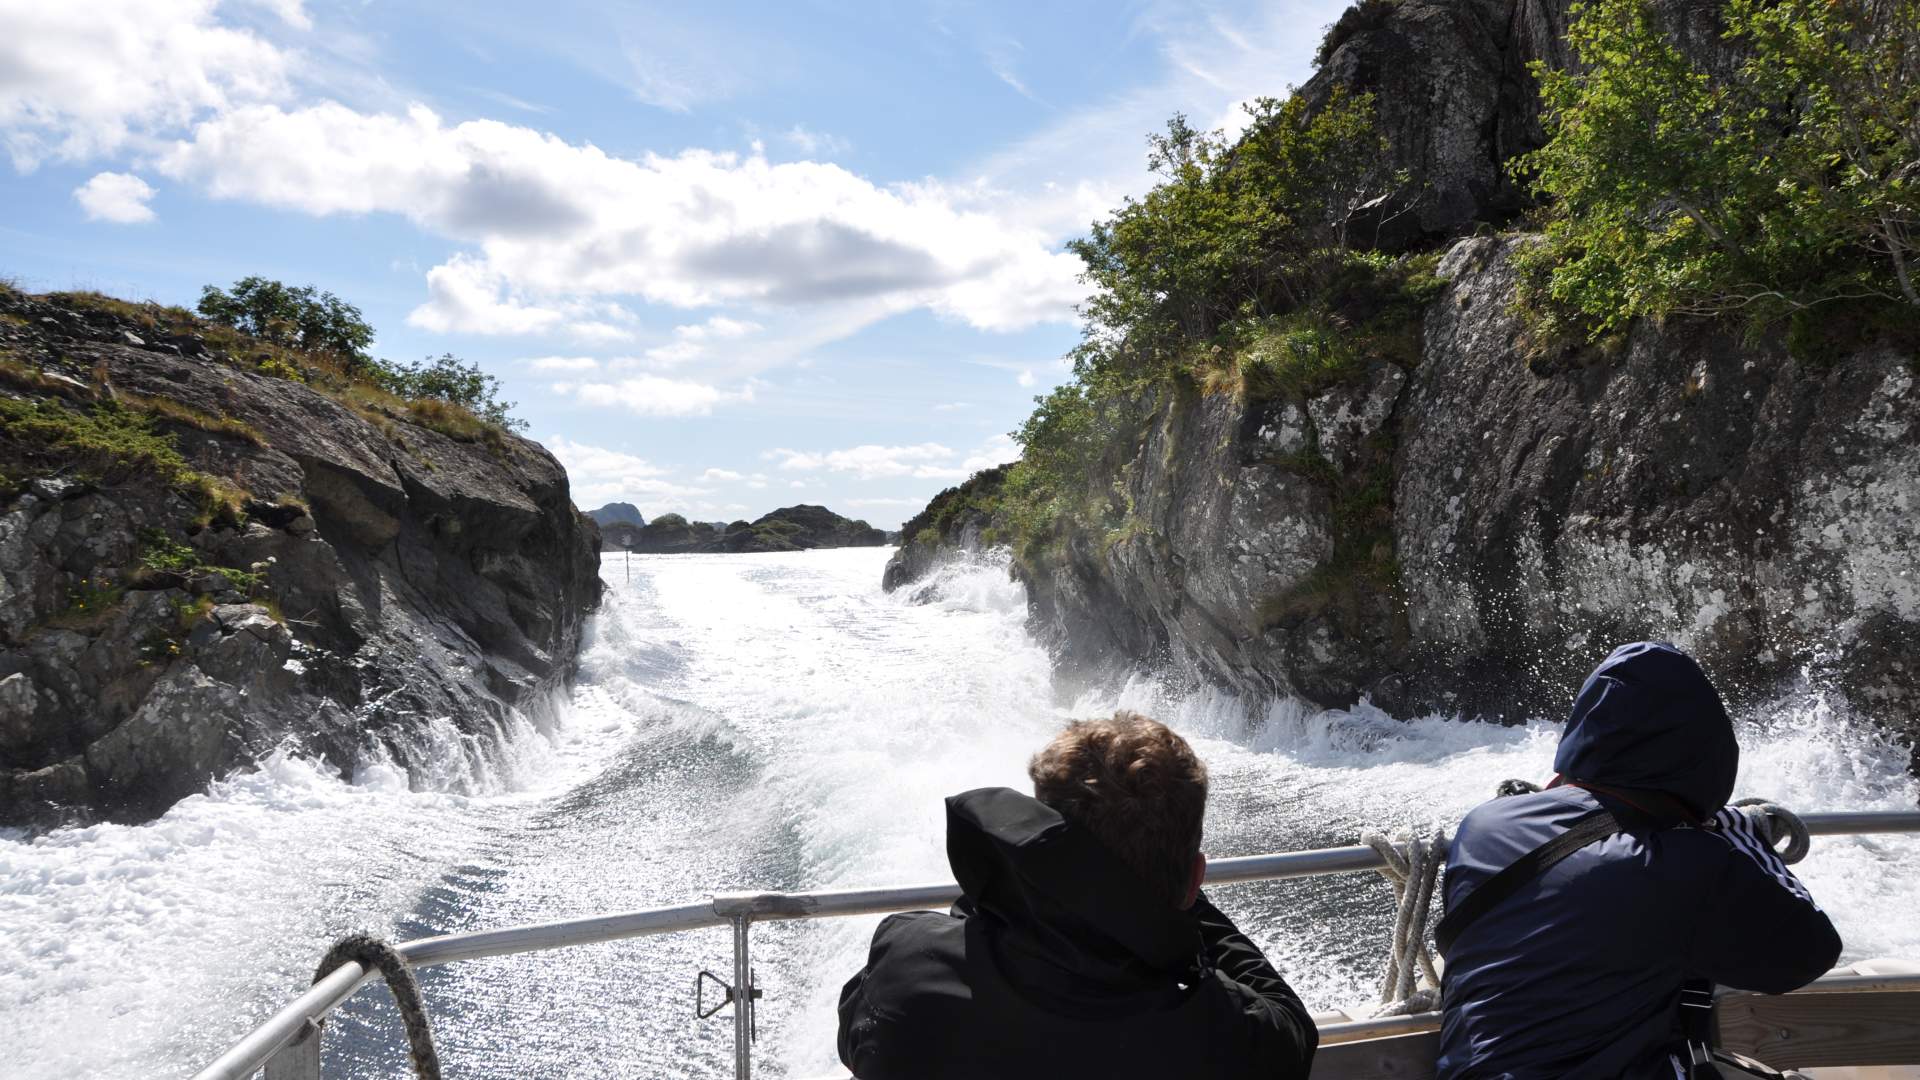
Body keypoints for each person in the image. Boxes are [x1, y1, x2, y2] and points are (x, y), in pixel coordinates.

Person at [836, 711, 1318, 1079]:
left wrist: (1005, 888)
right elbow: (1292, 1025)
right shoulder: (1227, 1039)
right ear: (1193, 879)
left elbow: (853, 1035)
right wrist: (1176, 898)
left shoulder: (907, 960)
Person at [1436, 641, 1842, 1079]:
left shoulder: (1482, 824)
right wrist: (1740, 835)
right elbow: (1809, 952)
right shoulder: (1685, 864)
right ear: (1708, 756)